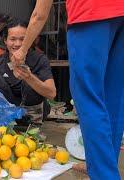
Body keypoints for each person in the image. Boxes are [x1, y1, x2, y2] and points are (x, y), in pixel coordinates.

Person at [11, 0, 124, 179]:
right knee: (114, 101)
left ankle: (105, 175)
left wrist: (23, 50)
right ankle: (105, 169)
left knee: (88, 99)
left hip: (89, 15)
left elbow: (39, 14)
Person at [0, 19, 56, 125]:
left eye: (22, 39)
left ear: (29, 40)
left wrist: (29, 77)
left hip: (33, 111)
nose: (17, 44)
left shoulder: (39, 59)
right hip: (8, 111)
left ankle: (33, 120)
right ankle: (5, 117)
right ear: (5, 41)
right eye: (13, 39)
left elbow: (52, 93)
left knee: (29, 82)